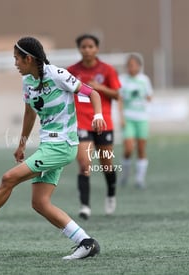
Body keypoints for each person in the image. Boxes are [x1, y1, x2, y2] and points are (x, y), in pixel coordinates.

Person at [0, 36, 106, 260]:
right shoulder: (28, 81)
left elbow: (92, 93)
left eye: (17, 59)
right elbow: (29, 112)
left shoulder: (57, 75)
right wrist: (21, 144)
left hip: (63, 145)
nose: (15, 63)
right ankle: (86, 243)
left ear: (28, 58)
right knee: (40, 203)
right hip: (49, 145)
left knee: (9, 178)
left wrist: (98, 115)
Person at [67, 34, 121, 219]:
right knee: (84, 164)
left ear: (97, 49)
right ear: (79, 49)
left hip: (103, 123)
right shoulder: (71, 71)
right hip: (81, 122)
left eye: (90, 46)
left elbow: (116, 94)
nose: (87, 50)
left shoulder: (107, 70)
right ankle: (85, 206)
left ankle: (111, 194)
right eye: (83, 47)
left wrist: (98, 87)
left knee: (106, 164)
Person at [118, 54, 153, 188]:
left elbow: (150, 96)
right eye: (129, 65)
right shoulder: (122, 80)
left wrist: (143, 96)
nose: (130, 68)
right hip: (128, 118)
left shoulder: (144, 80)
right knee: (128, 148)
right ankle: (125, 175)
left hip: (142, 118)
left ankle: (139, 179)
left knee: (141, 148)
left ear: (139, 66)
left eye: (133, 65)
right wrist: (121, 117)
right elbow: (119, 99)